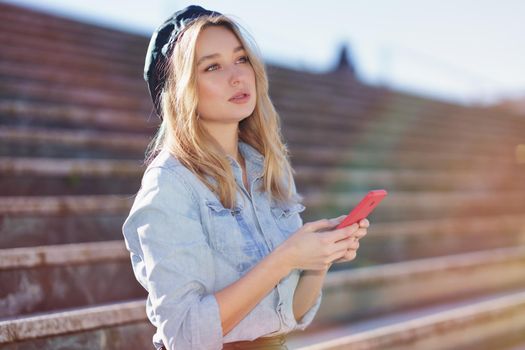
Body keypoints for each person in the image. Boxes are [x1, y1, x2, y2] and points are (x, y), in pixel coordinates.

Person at [121, 5, 369, 350]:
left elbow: (290, 313)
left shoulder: (269, 169)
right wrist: (285, 258)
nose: (237, 76)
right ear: (181, 91)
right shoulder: (169, 185)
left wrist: (319, 258)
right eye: (212, 67)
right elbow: (184, 335)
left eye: (241, 59)